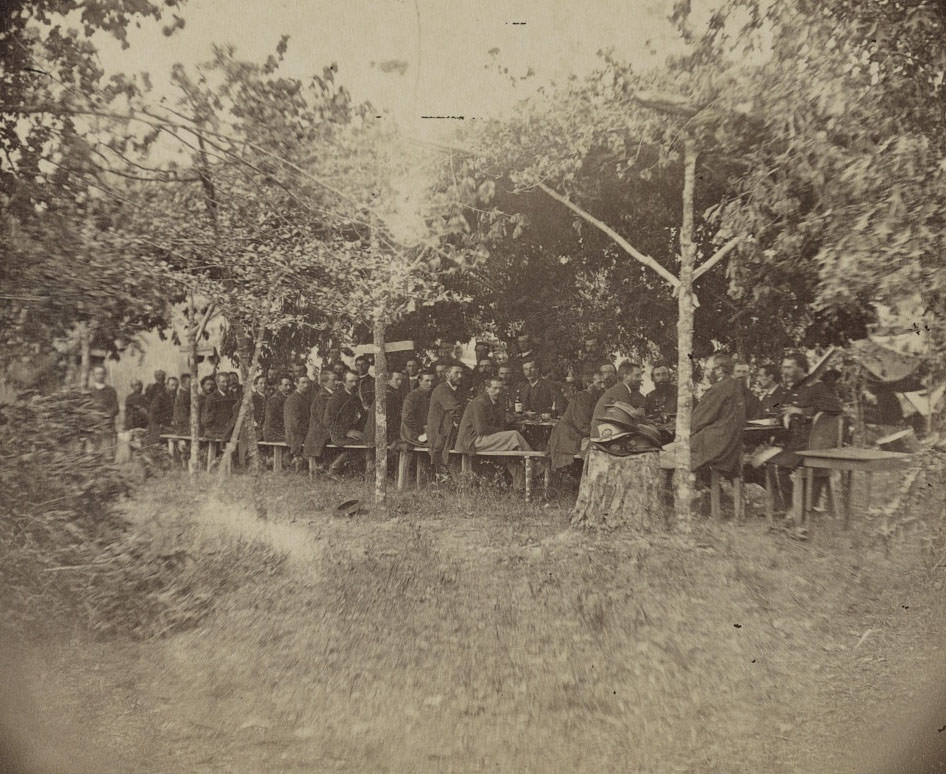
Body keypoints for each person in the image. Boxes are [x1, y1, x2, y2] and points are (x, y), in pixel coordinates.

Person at [770, 351, 843, 513]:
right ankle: (791, 508)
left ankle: (793, 510)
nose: (784, 371)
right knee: (764, 461)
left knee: (777, 466)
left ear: (801, 368)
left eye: (789, 367)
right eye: (783, 368)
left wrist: (802, 411)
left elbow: (836, 409)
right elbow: (781, 408)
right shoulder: (795, 388)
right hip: (793, 441)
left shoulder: (816, 387)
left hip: (810, 445)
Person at [455, 377, 533, 488]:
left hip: (485, 438)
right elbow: (481, 429)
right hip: (472, 440)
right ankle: (533, 463)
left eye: (500, 388)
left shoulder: (497, 403)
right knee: (513, 436)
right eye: (494, 388)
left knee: (512, 446)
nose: (498, 391)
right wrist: (504, 430)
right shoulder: (479, 403)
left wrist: (515, 421)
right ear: (487, 389)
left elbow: (500, 423)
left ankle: (520, 486)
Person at [689, 353, 747, 478]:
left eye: (708, 370)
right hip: (731, 444)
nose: (706, 374)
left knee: (666, 455)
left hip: (716, 445)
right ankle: (713, 493)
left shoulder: (718, 389)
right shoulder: (735, 385)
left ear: (719, 370)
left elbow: (697, 421)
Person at [548, 367, 604, 471]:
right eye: (599, 383)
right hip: (567, 436)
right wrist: (598, 432)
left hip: (576, 433)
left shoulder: (593, 397)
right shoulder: (582, 397)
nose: (602, 386)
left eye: (603, 383)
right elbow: (581, 424)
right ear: (588, 383)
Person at [427, 364, 465, 478]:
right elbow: (455, 407)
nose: (460, 376)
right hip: (439, 431)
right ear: (447, 375)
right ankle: (444, 477)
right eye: (456, 373)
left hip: (449, 428)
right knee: (443, 450)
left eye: (461, 373)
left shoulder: (458, 390)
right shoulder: (442, 389)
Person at [325, 370, 367, 474]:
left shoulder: (355, 398)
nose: (354, 384)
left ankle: (353, 470)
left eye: (356, 381)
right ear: (344, 382)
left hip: (352, 433)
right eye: (351, 381)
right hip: (338, 434)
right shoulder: (336, 398)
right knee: (364, 443)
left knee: (368, 439)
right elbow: (328, 421)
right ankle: (334, 467)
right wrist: (346, 432)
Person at [592, 361, 646, 436]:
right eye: (637, 376)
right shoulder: (620, 390)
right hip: (605, 436)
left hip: (607, 433)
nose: (641, 379)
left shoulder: (623, 389)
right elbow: (632, 418)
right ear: (625, 376)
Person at [364, 371, 406, 448]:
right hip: (380, 436)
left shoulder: (388, 393)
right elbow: (390, 420)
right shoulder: (389, 396)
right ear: (388, 380)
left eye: (401, 380)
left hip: (374, 434)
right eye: (397, 379)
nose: (400, 382)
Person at [304, 371, 337, 466]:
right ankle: (331, 467)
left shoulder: (332, 395)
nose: (336, 382)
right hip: (320, 433)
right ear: (324, 383)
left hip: (326, 430)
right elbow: (323, 420)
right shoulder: (322, 397)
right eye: (333, 380)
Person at [88, 365, 119, 451]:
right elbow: (85, 408)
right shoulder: (89, 390)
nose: (100, 376)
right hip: (93, 422)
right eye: (97, 373)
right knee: (92, 448)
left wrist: (108, 415)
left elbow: (115, 408)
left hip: (107, 422)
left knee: (108, 449)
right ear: (93, 375)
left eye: (102, 373)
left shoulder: (111, 390)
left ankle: (108, 457)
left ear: (105, 374)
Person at [401, 370, 435, 446]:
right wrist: (422, 428)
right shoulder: (412, 396)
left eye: (432, 381)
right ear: (420, 381)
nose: (430, 384)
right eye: (427, 381)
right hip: (412, 433)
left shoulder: (432, 395)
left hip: (426, 432)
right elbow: (407, 417)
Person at [284, 374, 310, 464]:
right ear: (296, 384)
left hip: (300, 431)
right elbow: (294, 424)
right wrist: (308, 431)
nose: (306, 385)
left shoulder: (304, 397)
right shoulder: (293, 399)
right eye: (303, 383)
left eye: (307, 383)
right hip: (295, 434)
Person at [200, 375, 232, 440]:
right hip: (215, 432)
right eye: (223, 382)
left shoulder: (231, 396)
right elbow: (207, 419)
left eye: (227, 381)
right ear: (217, 383)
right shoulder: (211, 398)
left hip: (227, 432)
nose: (226, 384)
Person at [262, 375, 292, 442]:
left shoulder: (289, 398)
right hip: (273, 433)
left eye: (290, 385)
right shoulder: (274, 400)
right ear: (279, 386)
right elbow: (273, 421)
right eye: (286, 385)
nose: (289, 388)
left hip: (283, 432)